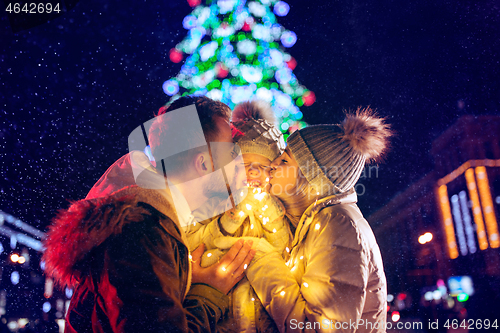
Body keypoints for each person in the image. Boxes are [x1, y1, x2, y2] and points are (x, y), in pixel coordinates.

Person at [42, 96, 256, 333]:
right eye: (230, 152)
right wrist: (208, 293)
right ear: (204, 163)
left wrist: (177, 281)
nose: (239, 163)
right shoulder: (142, 229)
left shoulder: (150, 220)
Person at [245, 107, 392, 333]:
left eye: (285, 161)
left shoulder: (336, 225)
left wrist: (260, 260)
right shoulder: (315, 222)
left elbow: (318, 329)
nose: (273, 164)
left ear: (311, 177)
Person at [185, 100, 290, 332]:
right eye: (245, 165)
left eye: (262, 167)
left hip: (263, 316)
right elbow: (191, 242)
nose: (253, 172)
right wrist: (227, 220)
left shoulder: (278, 209)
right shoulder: (213, 204)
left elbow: (284, 249)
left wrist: (270, 213)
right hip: (219, 316)